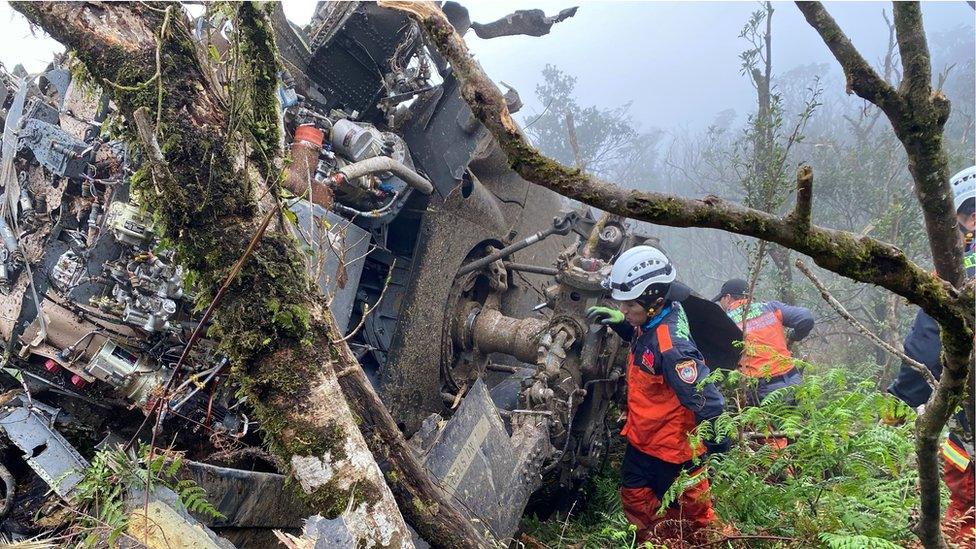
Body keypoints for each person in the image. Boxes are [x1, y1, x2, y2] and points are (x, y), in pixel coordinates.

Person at [586, 245, 729, 543]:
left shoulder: (673, 348)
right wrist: (624, 325)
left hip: (674, 450)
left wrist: (719, 443)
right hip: (643, 438)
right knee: (635, 498)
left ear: (656, 301)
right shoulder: (652, 317)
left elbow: (705, 398)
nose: (624, 310)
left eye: (629, 307)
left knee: (695, 517)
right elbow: (646, 346)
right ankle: (657, 541)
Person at [888, 165, 975, 544]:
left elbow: (927, 343)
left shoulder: (960, 271)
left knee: (966, 509)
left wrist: (901, 401)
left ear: (968, 217)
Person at [713, 279, 814, 405]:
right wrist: (794, 336)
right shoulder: (770, 307)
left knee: (772, 424)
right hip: (794, 378)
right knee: (801, 423)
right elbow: (806, 318)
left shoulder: (724, 322)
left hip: (765, 388)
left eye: (721, 300)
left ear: (727, 297)